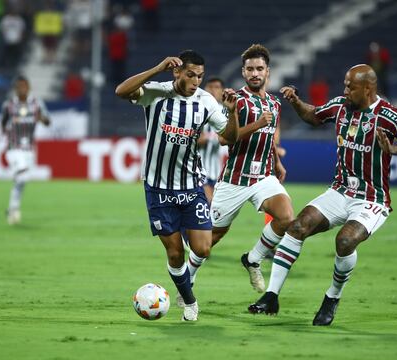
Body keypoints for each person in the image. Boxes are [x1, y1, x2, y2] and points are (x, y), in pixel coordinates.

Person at [248, 64, 397, 326]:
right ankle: (271, 296)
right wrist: (296, 102)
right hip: (340, 191)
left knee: (345, 241)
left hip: (371, 198)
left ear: (367, 89)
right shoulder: (341, 106)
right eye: (344, 84)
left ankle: (332, 297)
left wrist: (393, 149)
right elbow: (314, 116)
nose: (344, 90)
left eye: (350, 86)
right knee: (297, 226)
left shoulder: (389, 115)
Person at [115, 50, 239, 321]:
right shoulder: (156, 93)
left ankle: (185, 286)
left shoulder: (206, 101)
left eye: (200, 76)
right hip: (157, 189)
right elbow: (121, 91)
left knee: (203, 248)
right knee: (174, 253)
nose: (196, 81)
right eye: (191, 75)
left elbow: (228, 138)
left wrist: (233, 113)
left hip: (191, 186)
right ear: (177, 72)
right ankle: (190, 301)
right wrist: (157, 67)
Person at [187, 44, 293, 295]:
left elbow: (269, 139)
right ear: (243, 72)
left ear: (268, 71)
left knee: (286, 217)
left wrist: (277, 162)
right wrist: (257, 123)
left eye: (259, 69)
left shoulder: (275, 104)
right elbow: (225, 139)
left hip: (263, 177)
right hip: (235, 179)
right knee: (208, 241)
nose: (255, 73)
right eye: (249, 69)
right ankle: (186, 282)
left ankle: (253, 259)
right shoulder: (235, 100)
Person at [1, 75, 50, 225]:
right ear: (15, 89)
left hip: (29, 148)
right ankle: (13, 207)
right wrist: (8, 131)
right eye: (19, 86)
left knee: (21, 181)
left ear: (28, 87)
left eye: (24, 86)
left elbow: (47, 121)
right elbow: (3, 122)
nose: (22, 89)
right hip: (13, 147)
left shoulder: (36, 103)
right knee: (21, 171)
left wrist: (41, 118)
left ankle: (12, 209)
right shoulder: (9, 105)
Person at [198, 76, 225, 202]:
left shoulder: (225, 112)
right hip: (198, 169)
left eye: (217, 87)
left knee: (214, 212)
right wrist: (197, 140)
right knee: (209, 206)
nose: (213, 90)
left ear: (222, 91)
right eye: (210, 87)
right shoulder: (197, 109)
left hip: (216, 171)